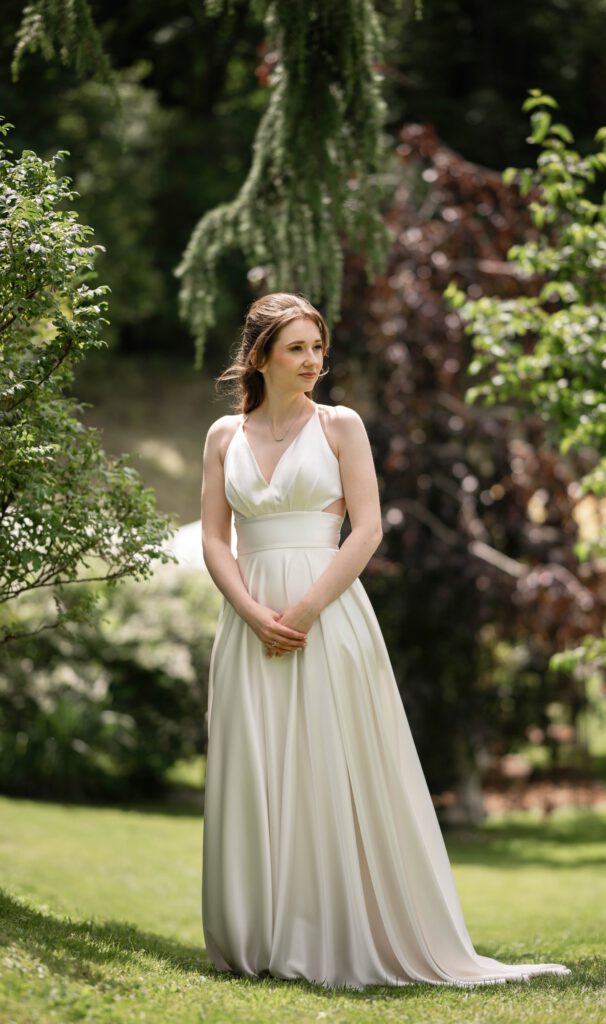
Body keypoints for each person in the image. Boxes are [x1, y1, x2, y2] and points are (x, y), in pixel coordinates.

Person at [200, 291, 572, 990]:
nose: (314, 362)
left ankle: (333, 930)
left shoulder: (341, 426)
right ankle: (257, 934)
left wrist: (304, 611)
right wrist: (251, 612)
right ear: (260, 357)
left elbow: (366, 529)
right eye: (297, 349)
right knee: (257, 765)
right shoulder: (224, 436)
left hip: (328, 613)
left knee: (330, 764)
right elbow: (216, 540)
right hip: (247, 621)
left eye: (318, 347)